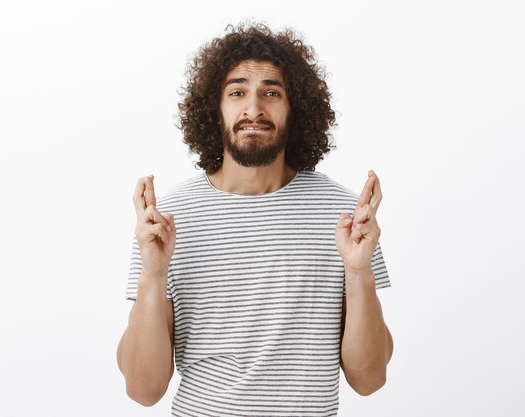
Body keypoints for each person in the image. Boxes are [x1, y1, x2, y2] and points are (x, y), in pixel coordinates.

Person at [116, 22, 393, 416]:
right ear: (215, 110)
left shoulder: (346, 218)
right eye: (237, 92)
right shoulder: (165, 222)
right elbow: (143, 390)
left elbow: (369, 380)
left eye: (272, 93)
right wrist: (153, 275)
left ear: (295, 109)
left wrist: (359, 270)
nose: (253, 108)